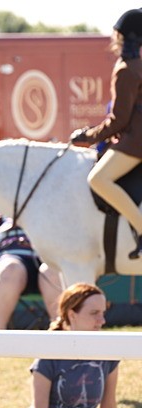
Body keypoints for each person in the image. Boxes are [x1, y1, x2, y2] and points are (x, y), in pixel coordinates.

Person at [9, 283, 136, 408]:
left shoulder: (108, 353)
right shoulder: (49, 354)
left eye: (103, 312)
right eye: (94, 313)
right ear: (72, 314)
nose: (101, 320)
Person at [71, 9, 142, 258]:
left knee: (97, 179)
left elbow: (119, 120)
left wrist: (89, 136)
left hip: (137, 142)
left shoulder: (126, 69)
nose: (115, 39)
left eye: (118, 35)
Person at [0, 212, 62, 330]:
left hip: (49, 258)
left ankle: (61, 330)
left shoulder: (53, 209)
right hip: (14, 262)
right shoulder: (2, 214)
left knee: (52, 271)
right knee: (10, 268)